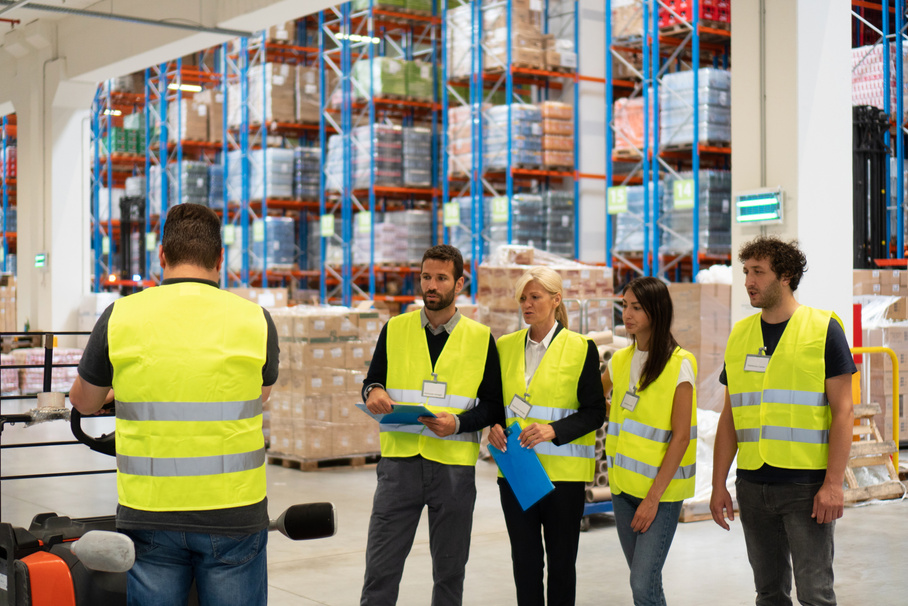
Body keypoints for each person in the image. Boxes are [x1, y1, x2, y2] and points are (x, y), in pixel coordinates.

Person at [69, 203, 279, 606]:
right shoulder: (255, 319)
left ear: (162, 256)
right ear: (220, 259)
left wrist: (119, 392)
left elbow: (84, 400)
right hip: (234, 511)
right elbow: (259, 393)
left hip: (150, 512)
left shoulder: (121, 315)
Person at [710, 235, 856, 606]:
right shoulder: (740, 335)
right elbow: (730, 416)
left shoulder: (823, 329)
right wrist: (718, 484)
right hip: (753, 485)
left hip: (805, 487)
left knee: (815, 594)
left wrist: (834, 485)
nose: (748, 281)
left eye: (758, 272)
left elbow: (843, 412)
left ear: (786, 276)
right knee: (768, 593)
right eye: (746, 272)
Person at [360, 244, 504, 606]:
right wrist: (373, 391)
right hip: (398, 467)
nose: (432, 285)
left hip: (453, 470)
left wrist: (457, 423)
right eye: (426, 277)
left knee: (450, 573)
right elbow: (372, 380)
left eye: (441, 278)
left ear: (459, 284)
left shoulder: (480, 338)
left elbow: (492, 407)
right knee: (381, 569)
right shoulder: (395, 329)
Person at [488, 267, 606, 606]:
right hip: (516, 472)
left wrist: (554, 431)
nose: (527, 304)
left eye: (535, 297)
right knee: (524, 563)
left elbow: (595, 411)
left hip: (563, 480)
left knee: (561, 565)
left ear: (556, 300)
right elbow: (496, 404)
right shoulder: (505, 346)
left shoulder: (581, 347)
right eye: (523, 298)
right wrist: (493, 426)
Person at [600, 276, 697, 606]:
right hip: (622, 488)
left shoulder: (679, 364)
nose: (627, 314)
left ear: (656, 311)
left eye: (636, 308)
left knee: (642, 584)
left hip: (660, 494)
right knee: (646, 584)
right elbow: (594, 399)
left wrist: (653, 499)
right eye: (624, 306)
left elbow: (681, 437)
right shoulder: (621, 360)